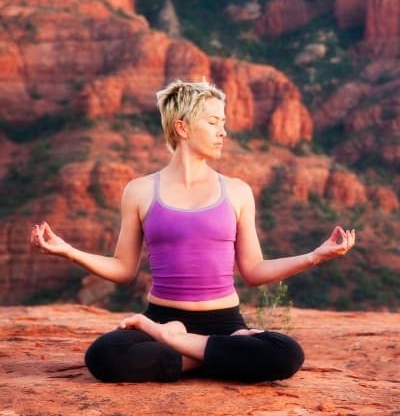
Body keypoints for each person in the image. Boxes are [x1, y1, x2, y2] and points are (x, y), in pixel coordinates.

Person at [31, 80, 356, 384]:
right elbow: (123, 269)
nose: (223, 132)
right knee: (104, 356)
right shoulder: (140, 191)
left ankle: (181, 346)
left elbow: (254, 271)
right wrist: (68, 251)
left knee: (287, 354)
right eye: (213, 122)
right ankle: (209, 355)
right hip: (161, 318)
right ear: (182, 127)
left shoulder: (237, 191)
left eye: (223, 123)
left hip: (225, 323)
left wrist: (315, 256)